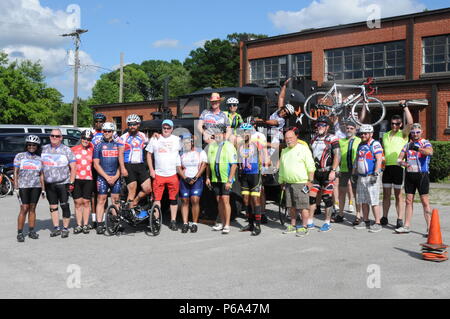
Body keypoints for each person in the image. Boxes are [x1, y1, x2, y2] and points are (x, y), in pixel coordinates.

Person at [395, 123, 433, 234]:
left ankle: (429, 228)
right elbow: (398, 159)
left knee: (425, 202)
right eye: (413, 132)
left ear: (421, 132)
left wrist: (417, 148)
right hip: (409, 175)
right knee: (408, 201)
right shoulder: (407, 145)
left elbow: (430, 152)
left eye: (417, 132)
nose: (415, 134)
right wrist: (403, 163)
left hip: (422, 175)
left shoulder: (425, 142)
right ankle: (406, 226)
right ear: (410, 133)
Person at [381, 100, 413, 229]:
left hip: (399, 168)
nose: (395, 126)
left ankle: (399, 219)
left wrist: (405, 107)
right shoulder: (385, 135)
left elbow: (410, 123)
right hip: (387, 168)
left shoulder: (403, 134)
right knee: (386, 194)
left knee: (398, 195)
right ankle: (384, 216)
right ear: (391, 124)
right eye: (393, 124)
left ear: (400, 125)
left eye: (397, 124)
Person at [279, 130, 315, 237]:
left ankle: (304, 227)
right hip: (288, 183)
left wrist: (310, 181)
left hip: (301, 183)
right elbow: (282, 168)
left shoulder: (303, 149)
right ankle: (293, 225)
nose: (288, 140)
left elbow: (311, 166)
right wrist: (281, 181)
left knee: (303, 206)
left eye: (290, 137)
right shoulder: (284, 151)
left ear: (296, 137)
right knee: (291, 207)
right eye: (286, 138)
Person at [146, 120, 181, 231]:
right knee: (157, 199)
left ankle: (173, 221)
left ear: (172, 129)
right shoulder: (155, 139)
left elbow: (188, 147)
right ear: (161, 128)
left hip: (172, 174)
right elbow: (148, 154)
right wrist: (151, 170)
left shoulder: (177, 139)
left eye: (168, 128)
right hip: (159, 174)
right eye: (164, 128)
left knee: (173, 199)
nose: (166, 130)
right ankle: (156, 220)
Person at [41, 129, 76, 238]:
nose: (54, 138)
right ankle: (56, 228)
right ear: (50, 136)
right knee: (53, 206)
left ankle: (65, 228)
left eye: (57, 136)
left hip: (63, 182)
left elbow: (73, 167)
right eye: (52, 136)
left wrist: (71, 182)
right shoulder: (44, 149)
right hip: (49, 183)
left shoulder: (66, 150)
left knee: (65, 206)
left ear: (61, 138)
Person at [236, 123, 270, 236]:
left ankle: (258, 225)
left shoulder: (256, 145)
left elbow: (263, 156)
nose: (245, 134)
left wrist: (264, 168)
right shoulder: (240, 145)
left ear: (251, 133)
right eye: (243, 132)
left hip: (255, 174)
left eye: (247, 132)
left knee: (255, 199)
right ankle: (250, 224)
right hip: (245, 175)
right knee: (246, 200)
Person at [308, 116, 340, 232]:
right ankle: (310, 221)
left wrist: (333, 171)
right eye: (318, 125)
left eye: (322, 125)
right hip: (316, 173)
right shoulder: (313, 138)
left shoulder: (332, 138)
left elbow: (337, 155)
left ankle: (327, 222)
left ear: (327, 127)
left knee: (326, 198)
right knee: (311, 197)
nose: (319, 127)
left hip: (327, 172)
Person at [205, 124, 238, 234]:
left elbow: (234, 165)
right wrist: (207, 177)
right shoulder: (212, 146)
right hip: (215, 179)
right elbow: (208, 164)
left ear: (224, 135)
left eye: (219, 133)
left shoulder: (229, 146)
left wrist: (229, 180)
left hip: (225, 179)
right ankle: (221, 222)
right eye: (215, 133)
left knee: (225, 200)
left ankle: (227, 224)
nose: (217, 135)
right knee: (219, 201)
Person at [13, 135, 45, 242]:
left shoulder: (39, 158)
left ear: (37, 146)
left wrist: (43, 189)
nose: (31, 146)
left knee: (32, 208)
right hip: (23, 186)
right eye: (29, 145)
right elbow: (15, 171)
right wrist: (15, 185)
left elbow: (41, 174)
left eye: (34, 145)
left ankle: (31, 231)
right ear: (26, 145)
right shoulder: (20, 156)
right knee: (24, 208)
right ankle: (20, 233)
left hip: (36, 186)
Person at [352, 125, 383, 233]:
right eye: (361, 134)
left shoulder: (375, 144)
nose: (363, 135)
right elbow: (357, 159)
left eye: (365, 133)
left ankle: (378, 222)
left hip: (371, 176)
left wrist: (376, 173)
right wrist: (353, 172)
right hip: (361, 177)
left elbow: (379, 159)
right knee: (363, 200)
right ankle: (365, 221)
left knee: (374, 200)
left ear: (371, 134)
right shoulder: (361, 144)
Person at [118, 114, 152, 212]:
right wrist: (123, 168)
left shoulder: (142, 136)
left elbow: (150, 144)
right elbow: (120, 154)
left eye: (134, 124)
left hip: (140, 165)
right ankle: (130, 212)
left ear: (138, 125)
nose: (132, 126)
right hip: (129, 165)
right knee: (132, 190)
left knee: (147, 189)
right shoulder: (123, 137)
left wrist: (155, 136)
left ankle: (135, 202)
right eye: (130, 124)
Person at [93, 122, 122, 235]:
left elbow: (121, 163)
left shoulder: (117, 145)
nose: (106, 133)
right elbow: (96, 164)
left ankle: (115, 223)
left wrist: (115, 177)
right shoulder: (98, 145)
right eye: (104, 131)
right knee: (101, 199)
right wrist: (106, 177)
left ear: (113, 132)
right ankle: (99, 224)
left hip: (115, 176)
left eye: (109, 131)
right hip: (102, 177)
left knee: (116, 200)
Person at [177, 133, 207, 233]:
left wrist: (196, 177)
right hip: (185, 180)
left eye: (188, 142)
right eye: (184, 142)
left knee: (195, 200)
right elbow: (178, 167)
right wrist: (185, 178)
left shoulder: (200, 151)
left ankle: (194, 223)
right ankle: (185, 223)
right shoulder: (181, 153)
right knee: (185, 201)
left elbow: (204, 165)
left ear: (192, 142)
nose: (186, 144)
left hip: (196, 179)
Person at [335, 121, 362, 224]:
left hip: (355, 170)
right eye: (347, 128)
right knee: (342, 192)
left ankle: (358, 215)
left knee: (356, 193)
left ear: (355, 130)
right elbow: (337, 155)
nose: (349, 130)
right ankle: (340, 214)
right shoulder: (341, 141)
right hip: (344, 170)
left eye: (351, 128)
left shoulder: (359, 140)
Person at [71, 130, 94, 234]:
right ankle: (79, 225)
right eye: (84, 138)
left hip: (88, 179)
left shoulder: (92, 149)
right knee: (77, 202)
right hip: (76, 178)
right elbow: (69, 165)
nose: (86, 140)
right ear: (81, 138)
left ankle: (85, 224)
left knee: (86, 202)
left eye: (88, 139)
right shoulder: (73, 149)